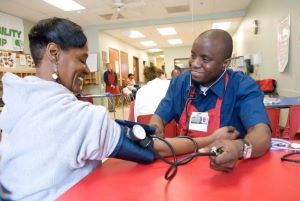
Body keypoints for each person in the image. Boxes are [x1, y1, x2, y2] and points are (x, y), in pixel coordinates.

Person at [0, 17, 154, 201]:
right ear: (54, 52)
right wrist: (197, 143)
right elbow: (149, 150)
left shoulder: (16, 100)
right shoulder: (74, 116)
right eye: (82, 59)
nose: (87, 69)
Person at [149, 29, 271, 172]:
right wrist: (155, 129)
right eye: (193, 56)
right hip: (184, 165)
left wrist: (238, 148)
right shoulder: (180, 83)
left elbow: (262, 135)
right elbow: (158, 118)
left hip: (225, 167)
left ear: (225, 63)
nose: (194, 64)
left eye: (205, 59)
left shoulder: (242, 86)